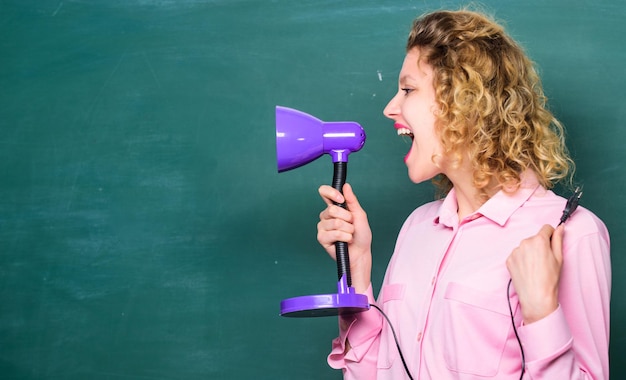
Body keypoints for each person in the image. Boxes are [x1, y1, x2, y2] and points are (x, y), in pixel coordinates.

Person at [316, 9, 611, 380]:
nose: (391, 107)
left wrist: (541, 313)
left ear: (465, 102)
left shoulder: (573, 234)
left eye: (408, 89)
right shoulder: (417, 228)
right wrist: (358, 269)